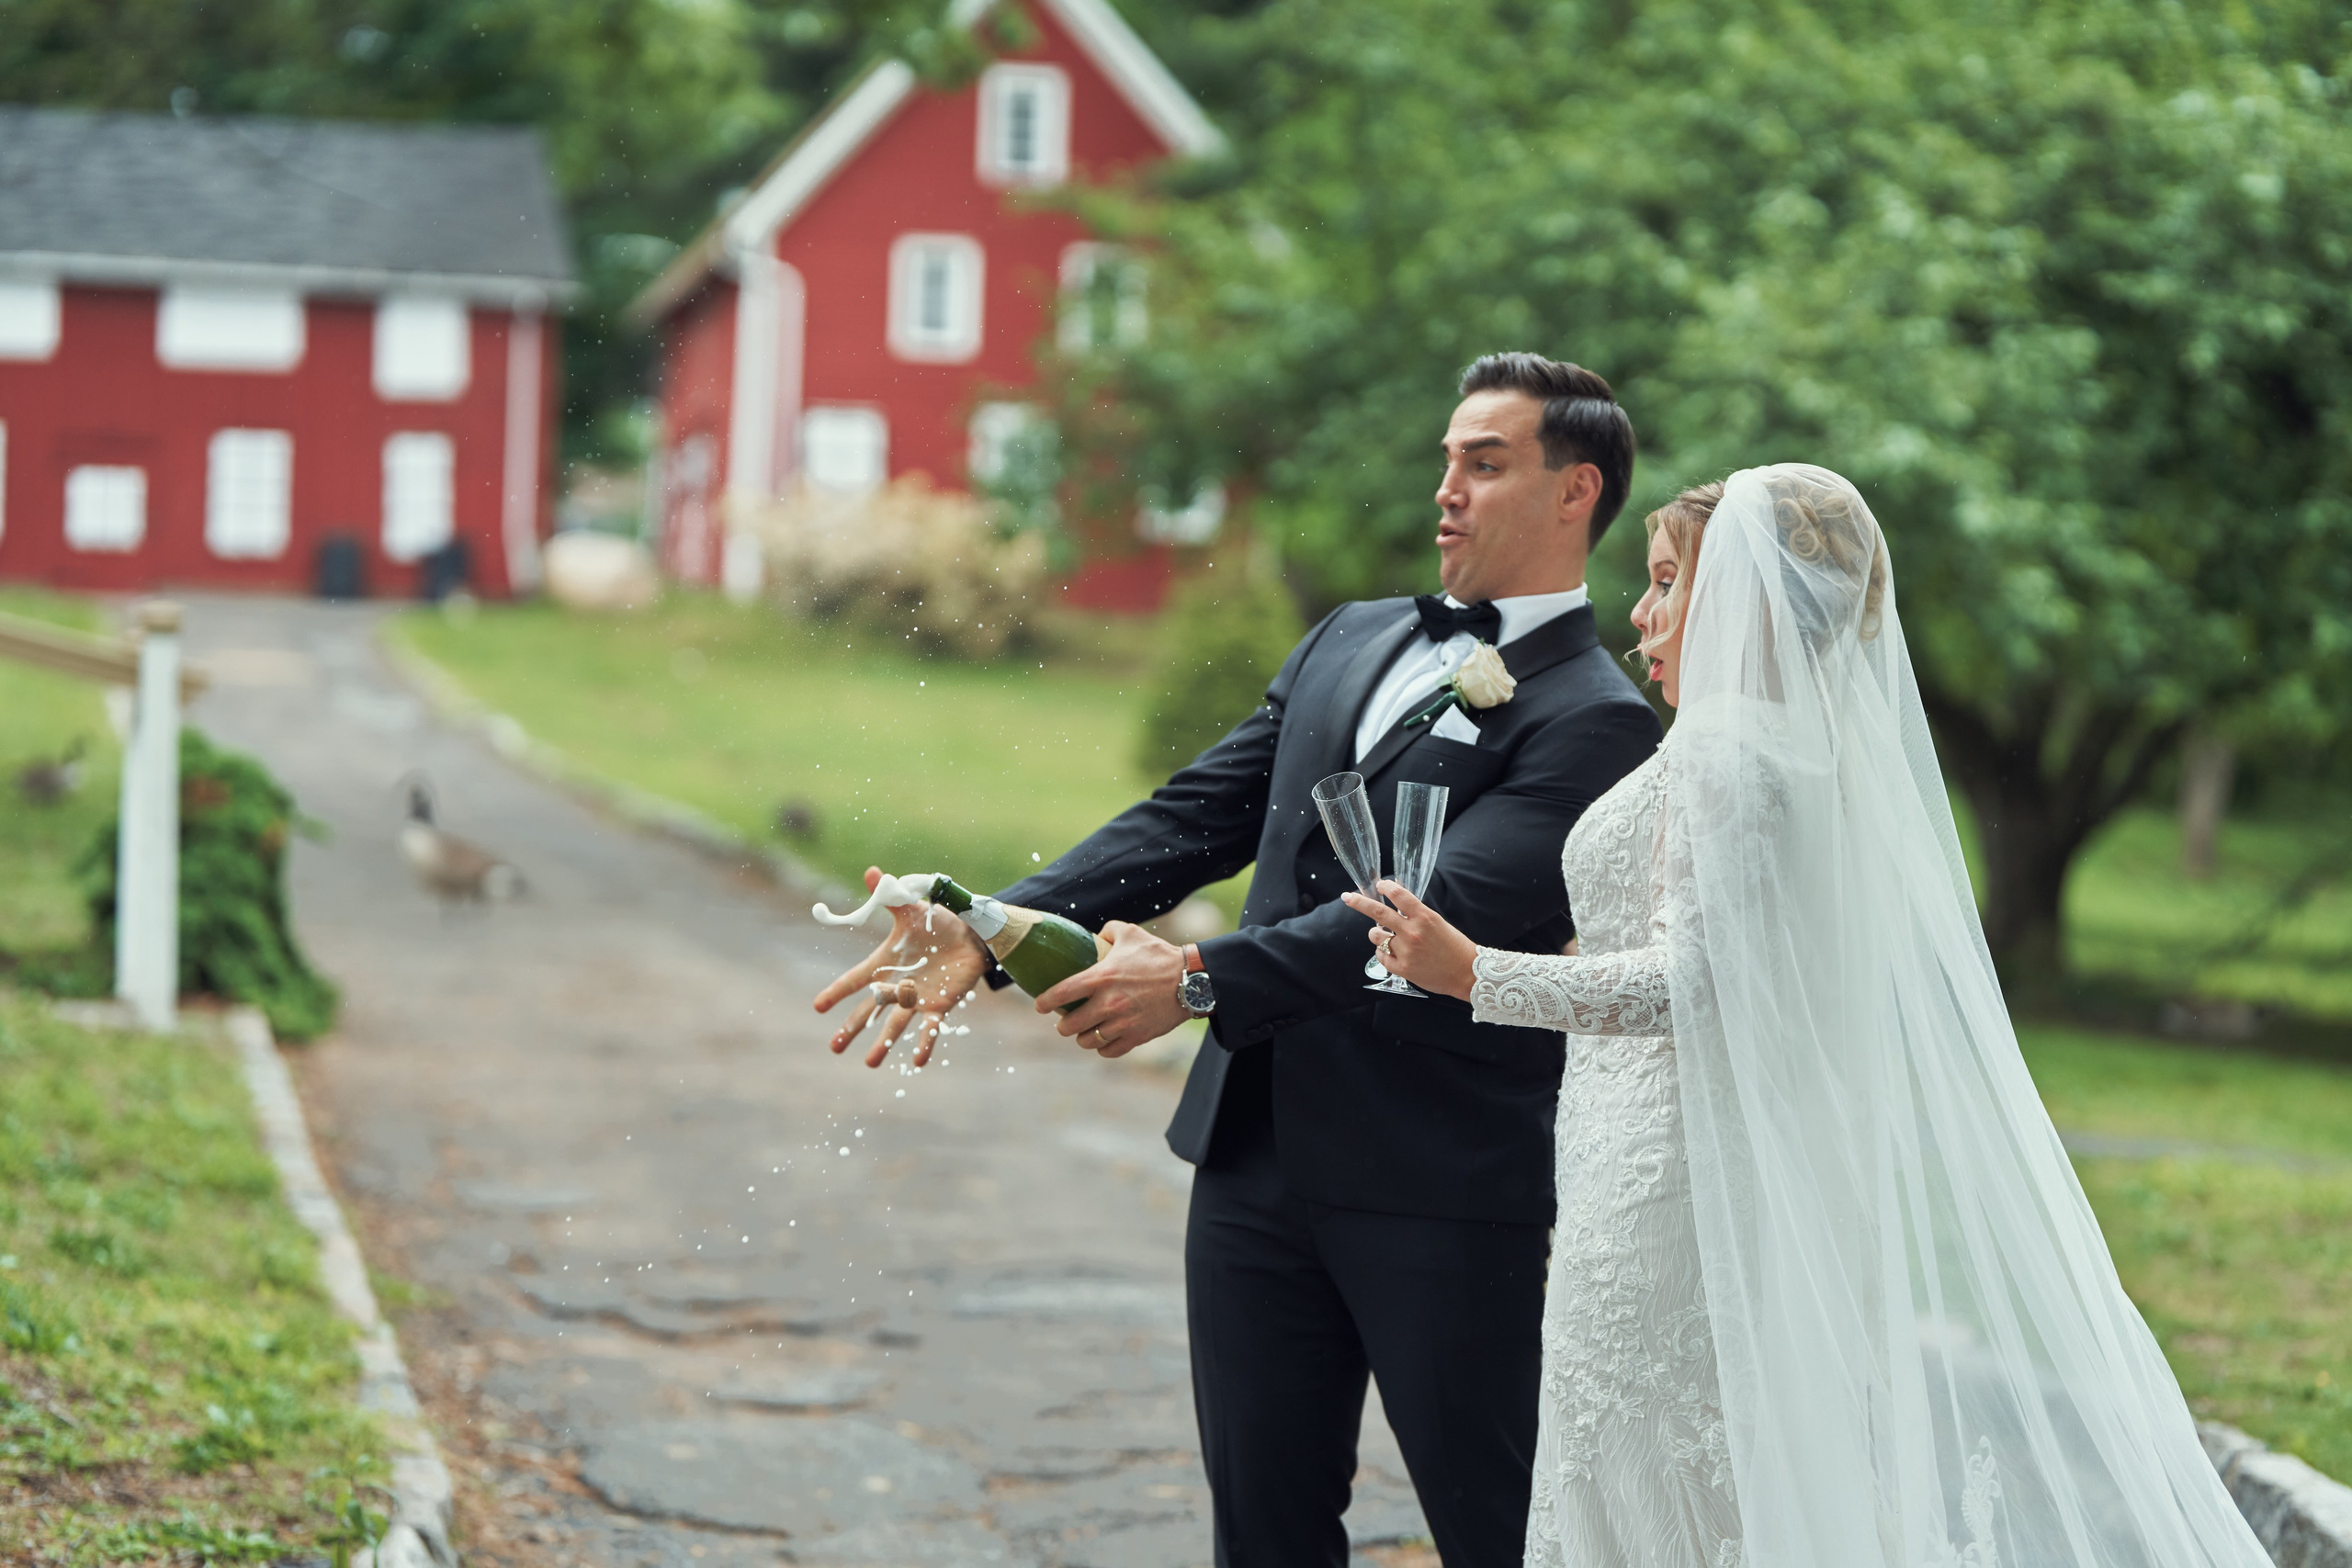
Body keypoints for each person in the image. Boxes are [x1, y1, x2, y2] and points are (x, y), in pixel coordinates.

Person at [815, 353, 1662, 1566]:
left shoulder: (1599, 717)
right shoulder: (1351, 637)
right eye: (1446, 459)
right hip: (1254, 1160)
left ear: (1576, 491)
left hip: (1440, 1183)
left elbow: (1434, 909)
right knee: (1261, 1530)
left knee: (1502, 1527)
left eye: (1485, 462)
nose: (1448, 489)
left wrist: (1197, 980)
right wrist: (990, 919)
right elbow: (1193, 816)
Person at [1350, 465, 2274, 1568]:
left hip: (1665, 1180)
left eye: (1662, 585)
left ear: (1737, 598)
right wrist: (1567, 957)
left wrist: (1476, 975)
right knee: (1681, 1467)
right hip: (1658, 1155)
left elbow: (1696, 984)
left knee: (1652, 1475)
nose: (1640, 617)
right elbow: (1728, 955)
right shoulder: (1800, 755)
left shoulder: (1724, 754)